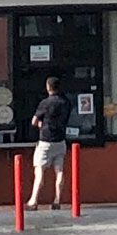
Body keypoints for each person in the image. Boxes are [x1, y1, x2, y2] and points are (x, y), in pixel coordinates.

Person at [26, 75, 72, 211]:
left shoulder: (45, 103)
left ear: (48, 87)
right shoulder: (66, 103)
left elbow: (34, 121)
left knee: (39, 170)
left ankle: (34, 200)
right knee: (59, 171)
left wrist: (41, 123)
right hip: (60, 140)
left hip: (45, 140)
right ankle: (57, 199)